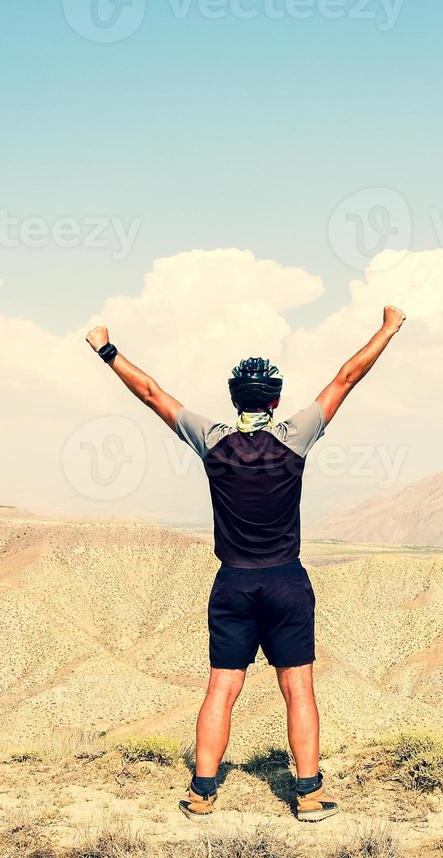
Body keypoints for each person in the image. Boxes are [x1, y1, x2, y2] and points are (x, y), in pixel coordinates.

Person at [85, 305, 406, 821]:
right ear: (276, 399)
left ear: (233, 399)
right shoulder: (295, 436)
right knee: (297, 686)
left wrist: (106, 348)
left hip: (232, 583)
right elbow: (347, 376)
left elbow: (151, 393)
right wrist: (388, 327)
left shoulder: (210, 440)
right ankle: (307, 794)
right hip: (286, 582)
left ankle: (202, 793)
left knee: (222, 687)